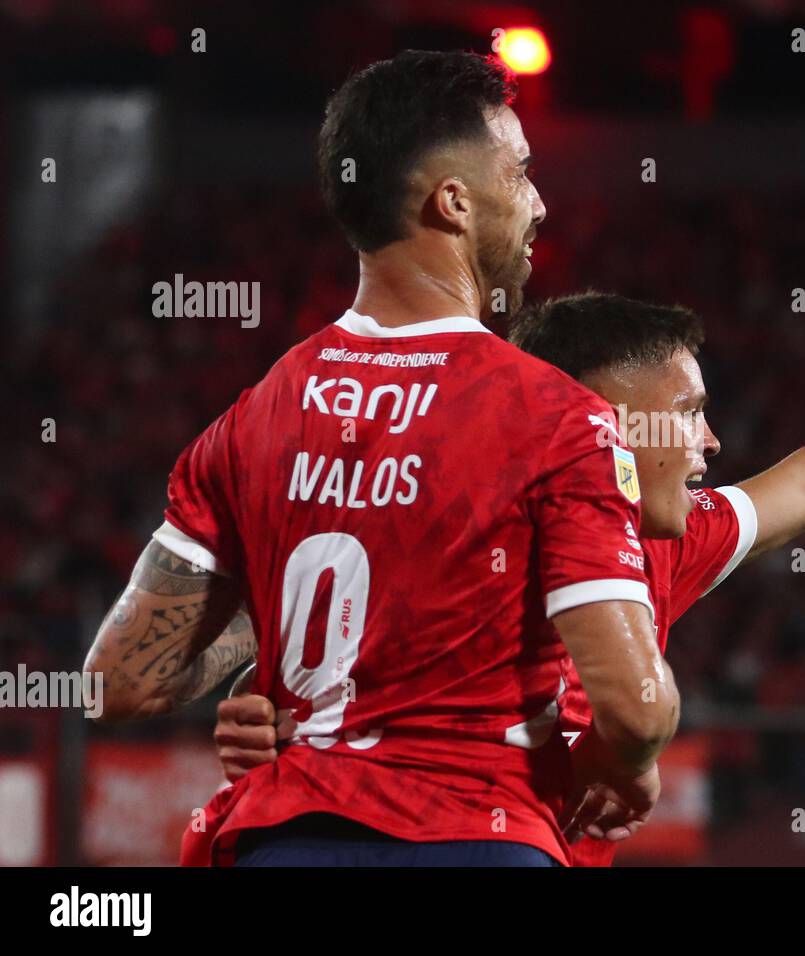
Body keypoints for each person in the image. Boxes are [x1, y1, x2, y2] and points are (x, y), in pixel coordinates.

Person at [213, 290, 805, 865]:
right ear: (600, 424)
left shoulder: (657, 544)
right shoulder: (448, 531)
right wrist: (271, 714)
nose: (710, 441)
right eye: (690, 412)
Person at [82, 53, 677, 867]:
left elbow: (118, 681)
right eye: (524, 175)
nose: (539, 204)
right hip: (477, 839)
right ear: (454, 202)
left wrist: (288, 643)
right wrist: (630, 770)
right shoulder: (560, 420)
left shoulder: (256, 415)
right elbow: (635, 708)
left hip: (283, 843)